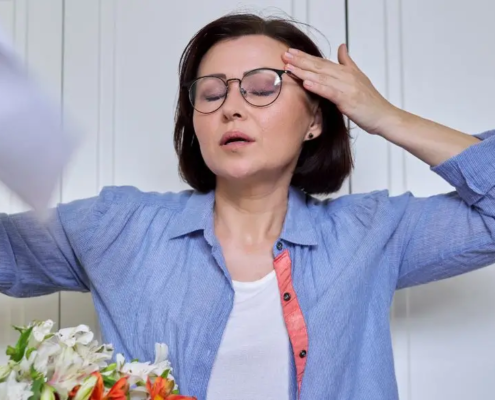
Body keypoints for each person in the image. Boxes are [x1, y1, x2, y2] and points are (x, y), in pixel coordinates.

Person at [1, 12, 494, 400]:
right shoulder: (118, 227)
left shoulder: (373, 233)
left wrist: (386, 116)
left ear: (315, 120)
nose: (231, 107)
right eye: (211, 93)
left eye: (263, 88)